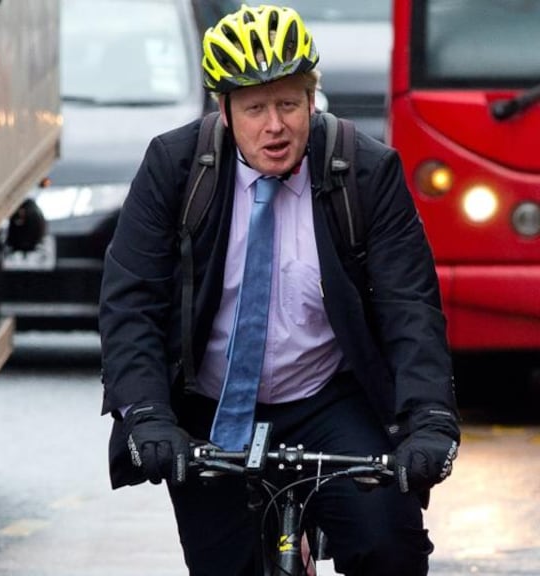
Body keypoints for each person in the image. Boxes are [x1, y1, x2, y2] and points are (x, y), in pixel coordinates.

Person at [98, 4, 460, 575]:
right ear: (223, 110)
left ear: (312, 101)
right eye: (256, 107)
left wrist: (430, 421)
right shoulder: (174, 167)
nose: (275, 125)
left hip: (329, 397)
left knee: (390, 545)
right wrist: (148, 415)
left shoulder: (365, 172)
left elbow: (409, 308)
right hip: (210, 406)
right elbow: (133, 302)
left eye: (289, 103)